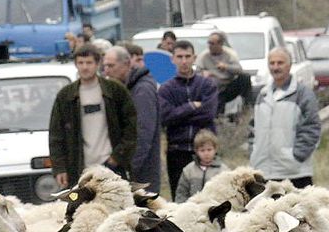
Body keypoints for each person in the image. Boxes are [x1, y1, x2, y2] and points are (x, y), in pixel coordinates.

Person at [47, 46, 137, 187]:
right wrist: (59, 168)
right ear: (76, 64)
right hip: (79, 167)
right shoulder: (66, 96)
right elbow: (56, 135)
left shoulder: (115, 90)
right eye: (81, 63)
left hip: (111, 165)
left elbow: (131, 127)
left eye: (89, 63)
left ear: (97, 64)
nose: (85, 67)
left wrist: (117, 157)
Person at [248, 47, 321, 188]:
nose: (275, 67)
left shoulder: (303, 94)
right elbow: (253, 128)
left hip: (294, 174)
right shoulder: (262, 95)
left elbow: (312, 127)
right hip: (264, 172)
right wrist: (254, 152)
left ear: (290, 65)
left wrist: (296, 156)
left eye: (280, 63)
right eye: (272, 63)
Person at [158, 40, 218, 193]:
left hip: (206, 150)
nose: (184, 61)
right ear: (173, 59)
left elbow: (209, 113)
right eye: (179, 57)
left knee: (210, 196)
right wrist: (192, 106)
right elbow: (166, 117)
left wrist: (179, 113)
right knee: (180, 197)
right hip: (177, 150)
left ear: (194, 57)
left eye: (187, 56)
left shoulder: (207, 85)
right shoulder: (166, 89)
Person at [104, 44, 162, 192]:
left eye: (111, 66)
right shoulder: (123, 88)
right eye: (104, 66)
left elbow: (142, 133)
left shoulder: (142, 91)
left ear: (127, 64)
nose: (107, 71)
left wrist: (130, 168)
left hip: (141, 172)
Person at [196, 31, 252, 110]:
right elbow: (196, 72)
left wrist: (226, 67)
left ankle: (247, 106)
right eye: (209, 43)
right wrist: (202, 73)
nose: (210, 46)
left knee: (245, 77)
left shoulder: (230, 54)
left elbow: (239, 70)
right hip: (214, 88)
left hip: (228, 84)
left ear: (220, 44)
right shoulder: (203, 56)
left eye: (212, 43)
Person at [175, 129, 225, 202]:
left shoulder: (223, 171)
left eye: (209, 150)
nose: (206, 153)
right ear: (196, 151)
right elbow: (181, 193)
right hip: (191, 208)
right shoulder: (188, 170)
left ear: (215, 149)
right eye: (202, 150)